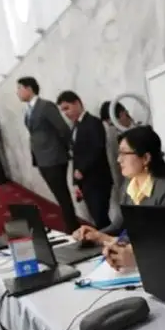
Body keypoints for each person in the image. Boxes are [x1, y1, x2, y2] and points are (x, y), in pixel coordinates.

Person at [73, 125, 165, 245]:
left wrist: (105, 239)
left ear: (145, 158)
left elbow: (155, 238)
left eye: (124, 153)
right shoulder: (129, 184)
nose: (119, 160)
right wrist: (93, 234)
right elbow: (117, 226)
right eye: (119, 153)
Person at [16, 76, 80, 233]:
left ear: (29, 89)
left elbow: (63, 129)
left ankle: (73, 228)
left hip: (54, 158)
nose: (17, 92)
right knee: (59, 195)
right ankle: (72, 225)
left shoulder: (45, 106)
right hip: (42, 159)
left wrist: (64, 150)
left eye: (19, 88)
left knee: (62, 196)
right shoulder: (29, 110)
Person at [56, 91, 112, 229]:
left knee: (101, 217)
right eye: (63, 110)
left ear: (77, 103)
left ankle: (111, 240)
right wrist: (76, 183)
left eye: (67, 108)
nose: (65, 113)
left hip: (98, 179)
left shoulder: (93, 122)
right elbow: (76, 156)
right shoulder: (76, 125)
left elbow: (97, 149)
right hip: (85, 181)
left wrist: (82, 170)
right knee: (96, 217)